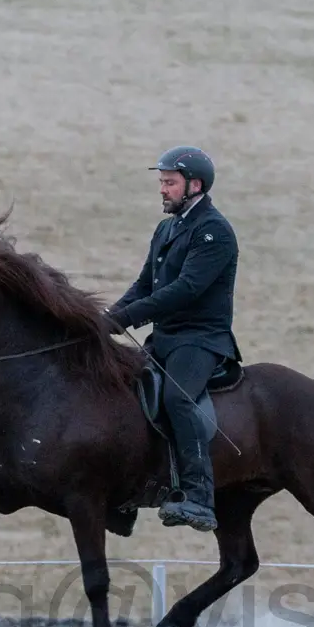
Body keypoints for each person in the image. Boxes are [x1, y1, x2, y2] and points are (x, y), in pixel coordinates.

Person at [105, 145, 242, 532]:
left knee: (178, 399)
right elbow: (145, 283)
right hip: (165, 339)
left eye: (170, 182)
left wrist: (128, 317)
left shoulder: (214, 232)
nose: (162, 190)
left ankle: (199, 496)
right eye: (162, 182)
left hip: (201, 340)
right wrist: (107, 319)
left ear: (194, 185)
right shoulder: (167, 228)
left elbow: (186, 289)